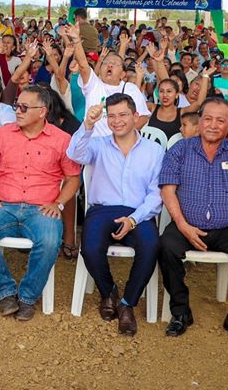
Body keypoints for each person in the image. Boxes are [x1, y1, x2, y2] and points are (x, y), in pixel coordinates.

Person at [0, 85, 81, 321]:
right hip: (5, 206)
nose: (17, 111)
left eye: (24, 107)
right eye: (16, 105)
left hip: (42, 209)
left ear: (42, 111)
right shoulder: (2, 134)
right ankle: (5, 292)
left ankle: (28, 297)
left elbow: (73, 178)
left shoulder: (61, 139)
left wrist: (59, 203)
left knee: (49, 241)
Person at [158, 89, 228, 346]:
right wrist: (182, 225)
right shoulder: (181, 149)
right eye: (208, 119)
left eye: (220, 120)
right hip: (187, 224)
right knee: (165, 248)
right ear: (199, 120)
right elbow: (168, 189)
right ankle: (181, 311)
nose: (213, 125)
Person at [67, 94, 165, 336]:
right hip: (103, 210)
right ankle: (108, 292)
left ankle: (127, 303)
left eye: (123, 115)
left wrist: (134, 219)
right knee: (90, 248)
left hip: (138, 212)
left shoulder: (154, 151)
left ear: (135, 116)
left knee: (151, 246)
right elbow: (74, 154)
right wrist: (87, 125)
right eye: (111, 116)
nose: (117, 121)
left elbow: (156, 193)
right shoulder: (98, 144)